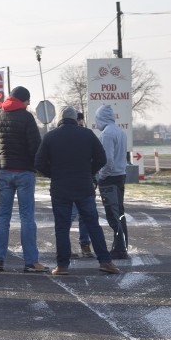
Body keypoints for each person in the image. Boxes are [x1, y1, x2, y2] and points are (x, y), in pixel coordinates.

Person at [34, 106, 120, 275]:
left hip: (60, 188)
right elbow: (101, 158)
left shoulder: (51, 136)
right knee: (93, 225)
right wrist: (89, 172)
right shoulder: (87, 134)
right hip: (84, 187)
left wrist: (53, 174)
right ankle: (105, 261)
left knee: (62, 227)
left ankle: (62, 266)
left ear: (60, 119)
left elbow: (39, 163)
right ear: (75, 119)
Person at [0, 86, 47, 273]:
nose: (28, 104)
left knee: (3, 216)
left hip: (5, 172)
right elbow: (36, 146)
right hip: (24, 172)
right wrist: (35, 165)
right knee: (26, 217)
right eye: (28, 101)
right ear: (23, 100)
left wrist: (0, 160)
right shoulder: (26, 118)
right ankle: (31, 262)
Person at [95, 104, 130, 259]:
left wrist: (100, 176)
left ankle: (120, 249)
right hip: (121, 175)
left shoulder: (107, 134)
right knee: (119, 213)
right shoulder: (120, 132)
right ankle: (122, 245)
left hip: (110, 178)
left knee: (112, 214)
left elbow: (107, 160)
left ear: (101, 118)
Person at [70, 111, 96, 259]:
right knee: (76, 214)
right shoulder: (87, 135)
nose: (80, 123)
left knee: (83, 216)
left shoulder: (87, 135)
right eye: (79, 121)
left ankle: (85, 244)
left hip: (82, 180)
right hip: (80, 180)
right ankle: (83, 245)